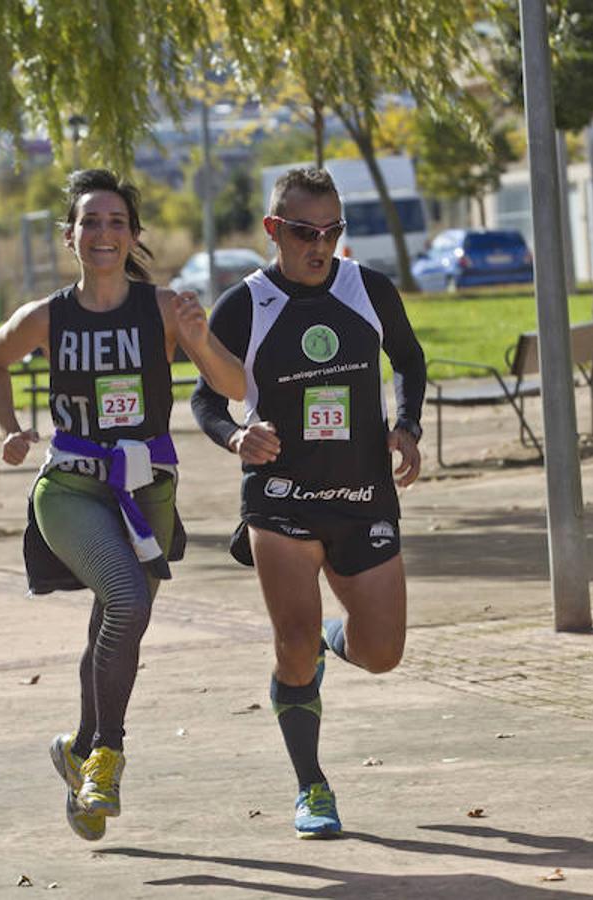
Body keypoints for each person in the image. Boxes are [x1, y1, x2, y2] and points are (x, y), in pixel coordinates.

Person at [0, 169, 245, 841]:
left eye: (116, 222)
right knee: (127, 601)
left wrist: (199, 335)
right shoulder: (47, 316)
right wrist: (8, 429)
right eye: (90, 222)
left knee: (116, 616)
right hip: (70, 487)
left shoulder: (161, 310)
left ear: (132, 236)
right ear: (70, 237)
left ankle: (77, 747)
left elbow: (235, 385)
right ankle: (107, 757)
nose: (103, 233)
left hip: (148, 487)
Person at [190, 167, 426, 838]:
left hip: (362, 495)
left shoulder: (368, 289)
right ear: (274, 231)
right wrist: (236, 434)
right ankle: (312, 785)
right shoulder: (247, 303)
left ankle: (328, 642)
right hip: (282, 497)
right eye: (303, 232)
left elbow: (409, 360)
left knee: (382, 654)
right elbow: (205, 397)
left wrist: (406, 425)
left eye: (331, 231)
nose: (318, 246)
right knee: (291, 643)